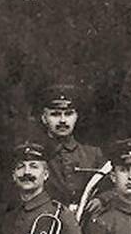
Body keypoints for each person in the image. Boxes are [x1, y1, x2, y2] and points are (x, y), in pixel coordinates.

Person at [36, 83, 107, 212]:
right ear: (44, 118)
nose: (63, 120)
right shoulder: (36, 156)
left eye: (68, 114)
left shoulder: (94, 154)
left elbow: (113, 188)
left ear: (76, 117)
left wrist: (101, 199)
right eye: (55, 114)